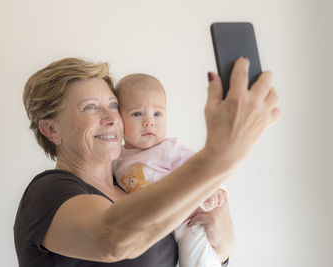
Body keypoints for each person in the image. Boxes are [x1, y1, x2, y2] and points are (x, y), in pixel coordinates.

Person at [14, 57, 280, 267]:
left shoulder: (132, 185)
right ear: (51, 130)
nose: (111, 118)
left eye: (114, 105)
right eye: (90, 107)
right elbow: (114, 239)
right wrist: (219, 157)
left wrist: (222, 249)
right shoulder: (49, 192)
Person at [112, 73, 228, 267]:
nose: (149, 122)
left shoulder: (170, 148)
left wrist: (216, 190)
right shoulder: (117, 159)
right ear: (119, 118)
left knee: (197, 261)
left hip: (188, 220)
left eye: (157, 113)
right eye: (137, 114)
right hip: (161, 227)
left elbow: (205, 169)